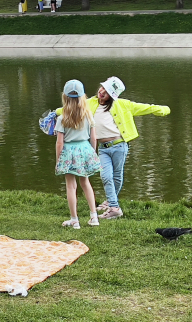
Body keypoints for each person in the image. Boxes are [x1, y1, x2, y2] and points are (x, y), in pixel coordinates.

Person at [86, 76, 170, 219]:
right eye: (102, 88)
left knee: (117, 176)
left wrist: (162, 109)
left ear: (113, 96)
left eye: (107, 91)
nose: (102, 92)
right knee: (106, 176)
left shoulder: (122, 104)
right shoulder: (90, 103)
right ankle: (114, 206)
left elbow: (143, 107)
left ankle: (111, 204)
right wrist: (55, 114)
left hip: (119, 146)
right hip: (103, 148)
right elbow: (71, 108)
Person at [55, 80, 100, 229]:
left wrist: (58, 159)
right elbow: (93, 137)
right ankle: (94, 216)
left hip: (69, 152)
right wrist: (92, 152)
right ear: (83, 97)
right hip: (85, 149)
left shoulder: (62, 118)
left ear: (64, 97)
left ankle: (74, 219)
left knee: (71, 186)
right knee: (86, 183)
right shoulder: (88, 116)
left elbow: (60, 143)